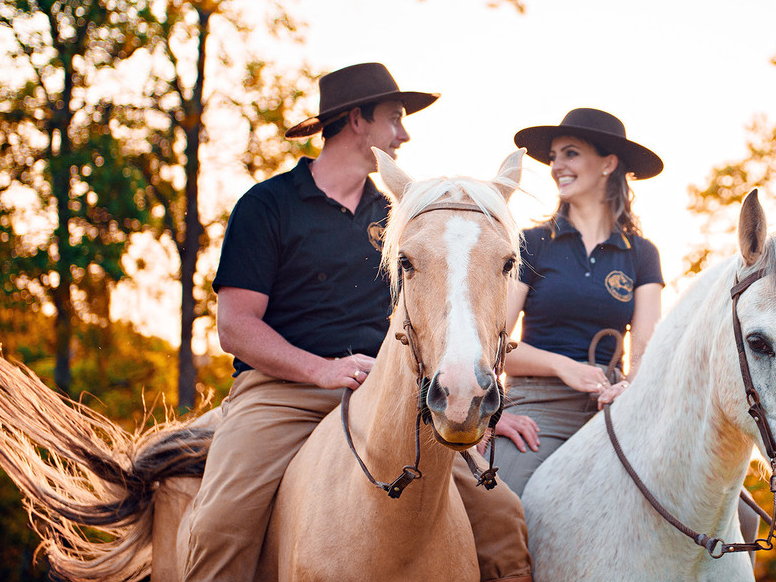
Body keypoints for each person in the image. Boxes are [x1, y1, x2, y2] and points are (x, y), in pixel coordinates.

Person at [183, 62, 532, 582]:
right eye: (394, 118)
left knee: (503, 519)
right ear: (354, 121)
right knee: (219, 527)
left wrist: (473, 400)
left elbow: (435, 322)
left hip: (390, 394)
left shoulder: (403, 217)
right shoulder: (268, 204)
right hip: (280, 393)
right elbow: (235, 326)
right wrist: (319, 370)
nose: (405, 133)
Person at [490, 108, 665, 496]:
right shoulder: (530, 244)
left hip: (615, 409)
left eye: (569, 153)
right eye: (553, 157)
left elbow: (647, 355)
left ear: (608, 164)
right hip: (538, 409)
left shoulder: (641, 253)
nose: (556, 166)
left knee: (727, 510)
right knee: (502, 504)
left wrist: (629, 389)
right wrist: (563, 366)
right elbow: (493, 344)